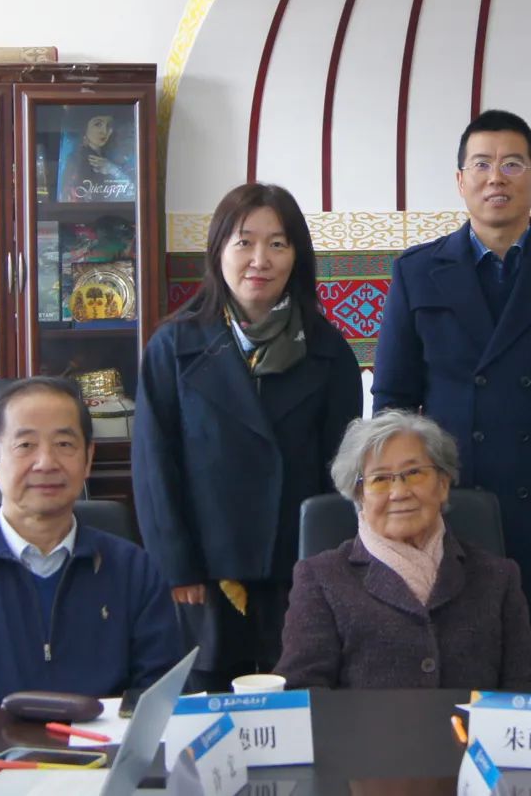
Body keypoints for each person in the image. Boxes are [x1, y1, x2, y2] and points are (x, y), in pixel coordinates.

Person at [371, 108, 531, 686]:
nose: (496, 177)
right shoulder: (418, 271)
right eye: (482, 164)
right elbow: (392, 404)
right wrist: (393, 502)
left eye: (513, 164)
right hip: (450, 512)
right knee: (454, 691)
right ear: (460, 180)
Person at [132, 182, 363, 692]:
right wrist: (176, 567)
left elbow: (343, 479)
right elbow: (153, 467)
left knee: (298, 701)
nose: (260, 260)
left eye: (277, 244)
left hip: (297, 571)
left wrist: (331, 573)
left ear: (296, 257)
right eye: (244, 242)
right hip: (205, 571)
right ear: (218, 252)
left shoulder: (329, 351)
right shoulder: (173, 346)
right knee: (208, 707)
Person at [0, 377, 181, 727]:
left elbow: (156, 696)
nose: (46, 462)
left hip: (105, 758)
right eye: (26, 445)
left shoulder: (135, 571)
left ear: (88, 459)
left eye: (64, 444)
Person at [275, 410, 531, 691]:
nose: (399, 492)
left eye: (414, 473)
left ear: (443, 484)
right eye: (380, 479)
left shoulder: (497, 577)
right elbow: (301, 694)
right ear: (359, 495)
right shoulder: (321, 578)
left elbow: (527, 689)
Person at [57, 106, 135, 202]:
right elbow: (67, 197)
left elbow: (133, 196)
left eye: (109, 125)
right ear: (84, 128)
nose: (104, 131)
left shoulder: (110, 160)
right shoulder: (75, 160)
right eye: (98, 124)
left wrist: (112, 169)